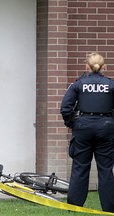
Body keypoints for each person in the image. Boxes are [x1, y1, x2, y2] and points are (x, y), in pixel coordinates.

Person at [60, 52, 114, 212]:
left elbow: (65, 108)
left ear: (87, 67)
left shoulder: (78, 84)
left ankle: (75, 208)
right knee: (105, 169)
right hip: (106, 127)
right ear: (104, 67)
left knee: (80, 167)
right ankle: (110, 209)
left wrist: (72, 123)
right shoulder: (111, 84)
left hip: (83, 128)